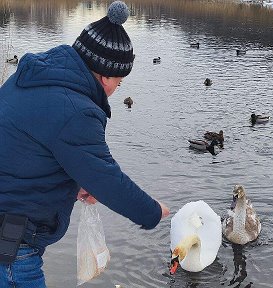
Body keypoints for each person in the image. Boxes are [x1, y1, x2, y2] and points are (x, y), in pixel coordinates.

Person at [0, 1, 169, 287]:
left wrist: (75, 182)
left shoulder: (33, 77)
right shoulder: (77, 110)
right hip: (13, 245)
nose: (118, 89)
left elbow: (26, 148)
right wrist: (152, 211)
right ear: (105, 76)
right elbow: (107, 179)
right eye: (120, 81)